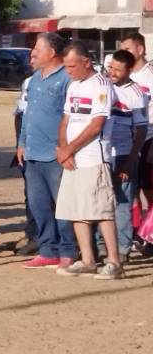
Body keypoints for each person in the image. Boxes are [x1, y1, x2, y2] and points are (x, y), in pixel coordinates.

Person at [54, 41, 123, 279]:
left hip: (94, 157)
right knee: (77, 210)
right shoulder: (73, 86)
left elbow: (97, 125)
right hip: (72, 159)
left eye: (72, 66)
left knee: (102, 210)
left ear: (86, 62)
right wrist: (64, 150)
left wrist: (70, 149)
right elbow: (65, 120)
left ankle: (114, 261)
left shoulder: (101, 85)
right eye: (66, 66)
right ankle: (87, 259)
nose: (69, 71)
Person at [16, 33, 77, 269]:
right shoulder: (34, 79)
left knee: (62, 206)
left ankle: (68, 250)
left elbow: (70, 117)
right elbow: (27, 115)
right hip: (31, 153)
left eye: (37, 49)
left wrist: (65, 148)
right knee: (38, 205)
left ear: (52, 52)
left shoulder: (66, 79)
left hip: (55, 154)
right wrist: (21, 143)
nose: (32, 53)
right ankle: (47, 249)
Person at [106, 49, 147, 261]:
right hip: (102, 154)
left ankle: (122, 249)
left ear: (129, 70)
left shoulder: (136, 94)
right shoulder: (102, 86)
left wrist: (131, 161)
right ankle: (101, 246)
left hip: (123, 154)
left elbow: (140, 130)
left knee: (122, 203)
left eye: (117, 70)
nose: (112, 72)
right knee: (101, 202)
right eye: (111, 67)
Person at [119, 33, 153, 230]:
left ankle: (148, 230)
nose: (125, 53)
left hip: (149, 136)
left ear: (140, 50)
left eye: (128, 49)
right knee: (131, 187)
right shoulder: (123, 76)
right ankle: (135, 229)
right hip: (126, 139)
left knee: (148, 187)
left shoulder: (150, 75)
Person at [12, 74, 38, 256]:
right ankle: (32, 234)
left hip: (43, 144)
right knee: (31, 193)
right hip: (26, 139)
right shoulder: (28, 81)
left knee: (47, 196)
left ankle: (44, 239)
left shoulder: (64, 79)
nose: (32, 57)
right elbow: (21, 112)